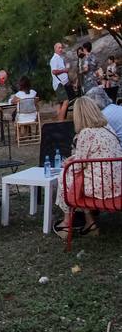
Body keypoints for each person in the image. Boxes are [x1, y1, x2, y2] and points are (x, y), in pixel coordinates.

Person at [54, 97, 122, 237]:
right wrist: (74, 160)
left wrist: (68, 163)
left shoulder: (86, 133)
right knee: (77, 178)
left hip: (102, 189)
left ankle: (67, 223)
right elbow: (93, 155)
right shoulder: (108, 128)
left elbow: (78, 166)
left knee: (66, 176)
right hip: (117, 183)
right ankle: (90, 222)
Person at [50, 42, 73, 114]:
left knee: (61, 102)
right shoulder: (54, 59)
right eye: (59, 48)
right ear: (55, 49)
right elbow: (54, 71)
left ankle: (60, 120)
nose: (60, 49)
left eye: (61, 47)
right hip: (59, 83)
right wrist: (64, 70)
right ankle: (61, 120)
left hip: (64, 83)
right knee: (65, 101)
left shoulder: (60, 58)